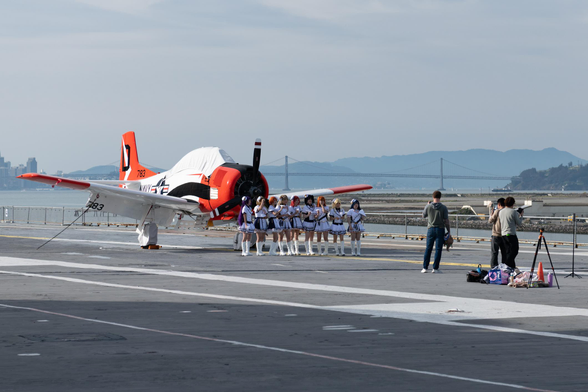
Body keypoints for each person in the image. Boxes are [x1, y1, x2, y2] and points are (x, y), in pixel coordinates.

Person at [421, 190, 450, 273]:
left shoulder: (428, 206)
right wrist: (448, 231)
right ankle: (435, 268)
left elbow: (423, 216)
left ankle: (425, 267)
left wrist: (426, 205)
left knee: (428, 249)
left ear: (433, 197)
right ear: (440, 197)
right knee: (438, 249)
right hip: (440, 229)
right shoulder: (444, 207)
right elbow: (446, 221)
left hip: (430, 229)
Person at [499, 196, 524, 269]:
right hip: (511, 234)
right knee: (514, 251)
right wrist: (521, 215)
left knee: (508, 252)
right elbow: (519, 223)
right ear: (513, 203)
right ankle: (506, 264)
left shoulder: (501, 212)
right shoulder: (513, 212)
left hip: (503, 234)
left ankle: (512, 267)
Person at [488, 197, 506, 268]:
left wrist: (491, 214)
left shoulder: (497, 211)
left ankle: (494, 266)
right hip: (504, 235)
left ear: (499, 204)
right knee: (504, 253)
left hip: (496, 234)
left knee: (494, 253)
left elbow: (490, 220)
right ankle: (504, 266)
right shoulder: (506, 212)